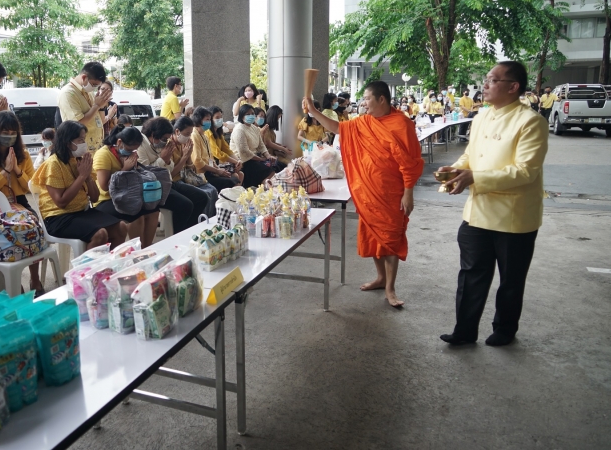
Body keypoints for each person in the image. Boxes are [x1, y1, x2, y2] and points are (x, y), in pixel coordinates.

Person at [438, 61, 548, 347]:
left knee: (511, 280)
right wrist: (457, 169)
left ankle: (504, 328)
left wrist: (475, 177)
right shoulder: (482, 117)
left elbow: (526, 172)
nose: (485, 85)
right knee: (471, 274)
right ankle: (464, 330)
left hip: (514, 216)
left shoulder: (531, 122)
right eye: (486, 79)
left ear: (513, 87)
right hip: (478, 212)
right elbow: (471, 155)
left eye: (493, 80)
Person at [303, 81, 424, 308]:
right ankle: (380, 278)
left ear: (381, 99)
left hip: (391, 192)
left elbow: (411, 163)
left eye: (367, 99)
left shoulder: (402, 125)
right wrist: (314, 111)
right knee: (373, 235)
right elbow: (337, 128)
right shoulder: (364, 122)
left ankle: (390, 288)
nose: (363, 103)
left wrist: (409, 193)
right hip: (367, 190)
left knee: (390, 238)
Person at [0, 111, 44, 296]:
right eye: (5, 132)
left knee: (33, 225)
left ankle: (35, 278)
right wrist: (4, 172)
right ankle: (14, 281)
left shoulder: (23, 154)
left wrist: (17, 170)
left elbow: (29, 187)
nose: (9, 136)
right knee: (6, 232)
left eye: (13, 133)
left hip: (18, 201)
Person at [31, 121, 126, 249]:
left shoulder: (79, 160)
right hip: (58, 217)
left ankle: (109, 266)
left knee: (121, 227)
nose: (84, 144)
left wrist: (87, 177)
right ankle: (87, 269)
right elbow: (61, 202)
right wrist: (81, 177)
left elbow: (95, 198)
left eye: (84, 139)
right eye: (80, 140)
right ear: (67, 142)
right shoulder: (53, 164)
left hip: (81, 212)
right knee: (100, 234)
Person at [93, 124, 161, 247]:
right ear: (119, 142)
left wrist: (135, 167)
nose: (130, 152)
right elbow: (104, 186)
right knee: (136, 215)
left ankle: (146, 247)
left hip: (128, 195)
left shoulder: (126, 154)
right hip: (106, 200)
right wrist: (124, 169)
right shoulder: (103, 154)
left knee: (153, 210)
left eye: (134, 150)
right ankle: (137, 251)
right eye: (129, 149)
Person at [137, 117, 208, 233]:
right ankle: (179, 234)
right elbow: (146, 174)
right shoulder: (141, 146)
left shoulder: (159, 144)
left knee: (201, 197)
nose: (165, 141)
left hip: (168, 182)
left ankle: (190, 230)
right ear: (154, 134)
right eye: (164, 138)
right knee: (186, 205)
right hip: (154, 188)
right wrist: (163, 159)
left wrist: (168, 160)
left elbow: (169, 169)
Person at [57, 62, 112, 156]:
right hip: (81, 151)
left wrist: (102, 107)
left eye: (97, 86)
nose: (95, 88)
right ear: (84, 77)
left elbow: (99, 120)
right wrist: (97, 106)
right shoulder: (68, 93)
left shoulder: (88, 92)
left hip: (96, 148)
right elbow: (78, 124)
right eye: (94, 84)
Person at [172, 117, 219, 216]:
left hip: (186, 178)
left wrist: (188, 155)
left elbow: (191, 168)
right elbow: (171, 174)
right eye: (187, 134)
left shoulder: (183, 144)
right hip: (175, 181)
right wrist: (184, 157)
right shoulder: (170, 146)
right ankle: (197, 223)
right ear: (177, 131)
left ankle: (210, 219)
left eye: (190, 134)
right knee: (203, 196)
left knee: (213, 190)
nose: (189, 137)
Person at [190, 107, 238, 191]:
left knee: (234, 178)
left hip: (210, 171)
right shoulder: (194, 135)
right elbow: (197, 161)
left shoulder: (204, 135)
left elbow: (210, 158)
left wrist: (218, 169)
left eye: (209, 120)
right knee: (230, 182)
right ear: (198, 120)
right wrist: (217, 171)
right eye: (206, 120)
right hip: (201, 174)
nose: (209, 122)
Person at [230, 105, 276, 188]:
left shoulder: (254, 128)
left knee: (277, 165)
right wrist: (261, 159)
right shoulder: (239, 130)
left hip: (255, 157)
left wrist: (268, 156)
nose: (251, 116)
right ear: (242, 116)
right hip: (243, 160)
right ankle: (260, 190)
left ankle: (264, 189)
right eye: (247, 114)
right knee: (268, 171)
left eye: (252, 113)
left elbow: (261, 145)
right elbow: (244, 151)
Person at [205, 106, 245, 184]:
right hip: (212, 165)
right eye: (217, 117)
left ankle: (238, 195)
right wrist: (235, 162)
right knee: (235, 176)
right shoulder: (208, 133)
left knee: (241, 174)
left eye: (221, 117)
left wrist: (238, 161)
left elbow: (227, 149)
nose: (220, 119)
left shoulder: (219, 133)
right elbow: (218, 154)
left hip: (219, 163)